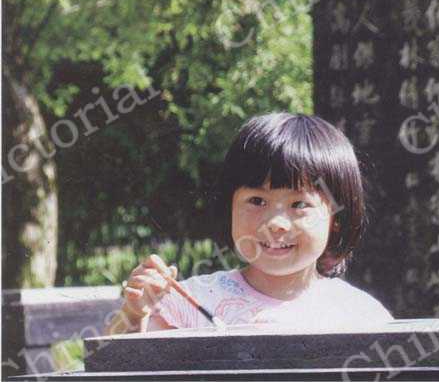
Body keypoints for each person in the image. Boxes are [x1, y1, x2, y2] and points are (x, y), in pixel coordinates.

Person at [106, 113, 392, 335]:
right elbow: (108, 368)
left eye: (299, 204)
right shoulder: (188, 304)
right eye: (257, 201)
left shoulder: (361, 316)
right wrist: (134, 314)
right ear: (229, 205)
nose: (276, 223)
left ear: (336, 219)